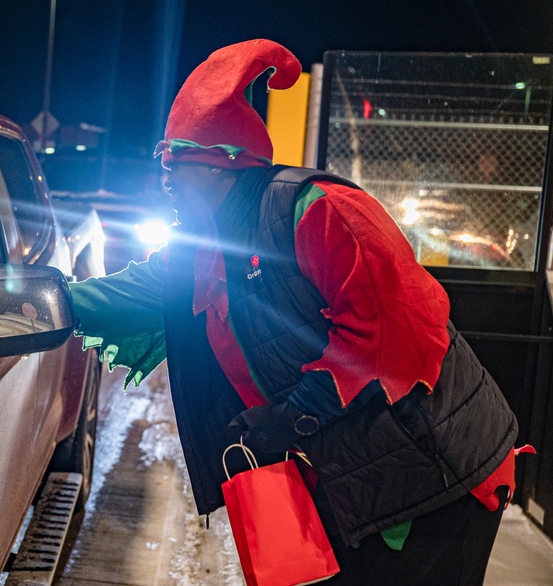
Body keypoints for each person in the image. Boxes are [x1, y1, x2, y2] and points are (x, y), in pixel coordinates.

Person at [68, 39, 522, 585]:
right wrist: (45, 300)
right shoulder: (206, 242)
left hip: (432, 472)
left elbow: (395, 336)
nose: (165, 179)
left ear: (221, 166)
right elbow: (137, 290)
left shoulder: (319, 210)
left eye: (177, 162)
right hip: (352, 474)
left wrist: (293, 417)